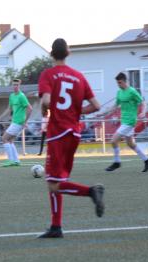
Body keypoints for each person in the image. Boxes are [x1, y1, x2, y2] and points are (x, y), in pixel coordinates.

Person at [38, 38, 104, 238]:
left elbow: (47, 102)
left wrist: (44, 111)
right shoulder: (79, 77)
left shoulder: (48, 74)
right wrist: (77, 111)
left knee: (54, 184)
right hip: (74, 133)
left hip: (58, 132)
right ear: (68, 53)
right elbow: (96, 106)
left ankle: (92, 191)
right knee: (57, 179)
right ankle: (56, 227)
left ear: (51, 54)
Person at [105, 73, 148, 172]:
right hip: (124, 120)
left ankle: (117, 162)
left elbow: (142, 102)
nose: (118, 84)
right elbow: (116, 105)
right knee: (131, 144)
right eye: (117, 83)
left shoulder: (132, 91)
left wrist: (143, 112)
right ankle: (147, 160)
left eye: (120, 82)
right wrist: (106, 111)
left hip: (130, 121)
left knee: (113, 141)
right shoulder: (119, 92)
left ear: (124, 81)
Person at [0, 79, 32, 167]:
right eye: (14, 85)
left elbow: (30, 108)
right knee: (10, 141)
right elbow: (9, 109)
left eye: (17, 85)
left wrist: (25, 121)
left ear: (19, 86)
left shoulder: (21, 96)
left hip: (19, 122)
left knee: (4, 138)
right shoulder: (11, 96)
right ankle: (16, 161)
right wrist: (0, 118)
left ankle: (11, 160)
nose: (15, 86)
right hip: (14, 122)